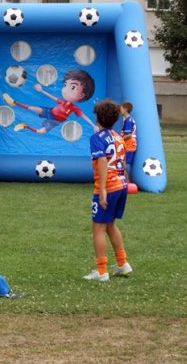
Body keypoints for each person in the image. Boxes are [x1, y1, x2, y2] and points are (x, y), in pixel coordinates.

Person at [83, 99, 132, 282]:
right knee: (111, 225)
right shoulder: (118, 137)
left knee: (98, 228)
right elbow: (121, 160)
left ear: (98, 118)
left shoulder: (96, 138)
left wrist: (102, 189)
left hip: (108, 187)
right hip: (121, 185)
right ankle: (122, 264)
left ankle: (101, 271)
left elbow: (103, 161)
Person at [3, 69, 96, 134]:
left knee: (40, 132)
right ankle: (14, 103)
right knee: (33, 108)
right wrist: (41, 90)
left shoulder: (74, 108)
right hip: (50, 111)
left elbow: (83, 116)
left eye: (72, 87)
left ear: (81, 95)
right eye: (65, 85)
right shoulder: (62, 102)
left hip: (55, 121)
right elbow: (53, 97)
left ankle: (24, 126)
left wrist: (93, 125)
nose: (65, 90)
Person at [120, 102, 137, 185]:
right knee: (123, 163)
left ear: (125, 109)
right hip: (127, 145)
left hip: (129, 145)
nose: (120, 110)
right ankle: (126, 181)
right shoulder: (127, 120)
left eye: (121, 108)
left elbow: (129, 135)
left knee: (124, 164)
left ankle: (128, 182)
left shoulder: (128, 120)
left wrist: (120, 139)